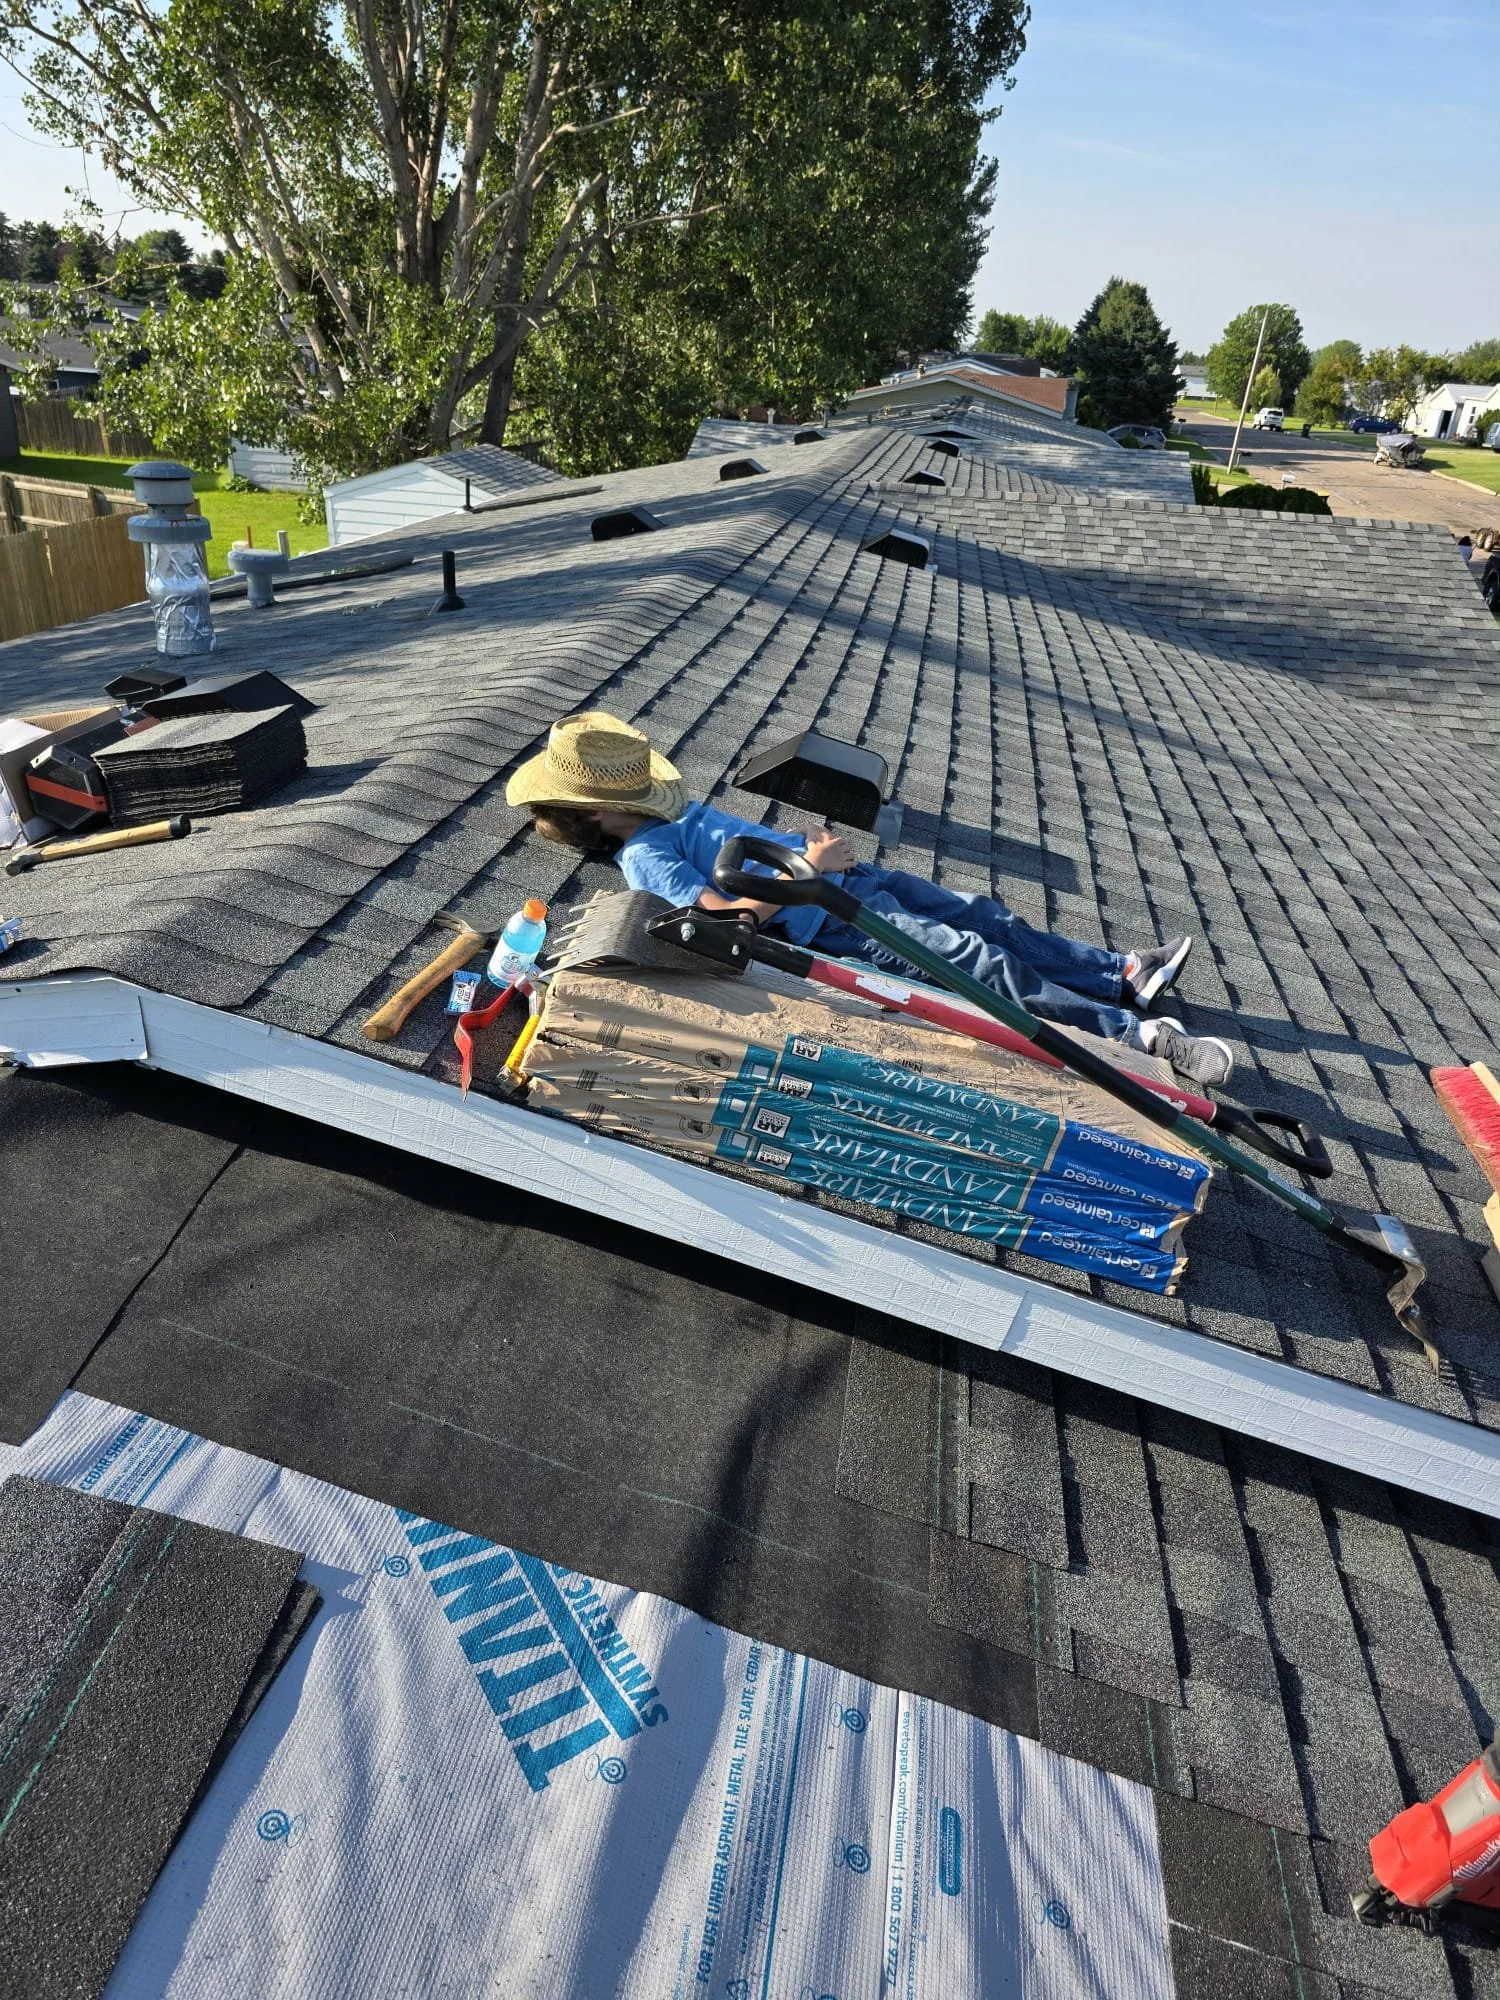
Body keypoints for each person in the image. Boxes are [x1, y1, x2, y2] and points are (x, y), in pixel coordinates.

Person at [507, 712, 1233, 1085]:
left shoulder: (666, 817)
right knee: (977, 963)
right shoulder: (645, 854)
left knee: (985, 916)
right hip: (837, 923)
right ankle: (1143, 1039)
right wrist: (808, 870)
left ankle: (1122, 975)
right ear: (596, 811)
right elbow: (718, 924)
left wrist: (807, 852)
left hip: (849, 884)